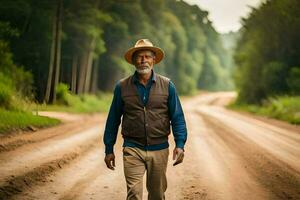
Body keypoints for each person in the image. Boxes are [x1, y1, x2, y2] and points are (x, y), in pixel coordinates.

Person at [103, 39, 188, 200]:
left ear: (153, 60)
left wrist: (180, 144)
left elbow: (177, 117)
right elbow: (113, 120)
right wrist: (109, 149)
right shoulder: (122, 87)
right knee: (134, 194)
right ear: (134, 60)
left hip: (160, 148)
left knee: (157, 195)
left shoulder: (167, 85)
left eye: (147, 56)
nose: (143, 60)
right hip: (132, 148)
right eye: (139, 56)